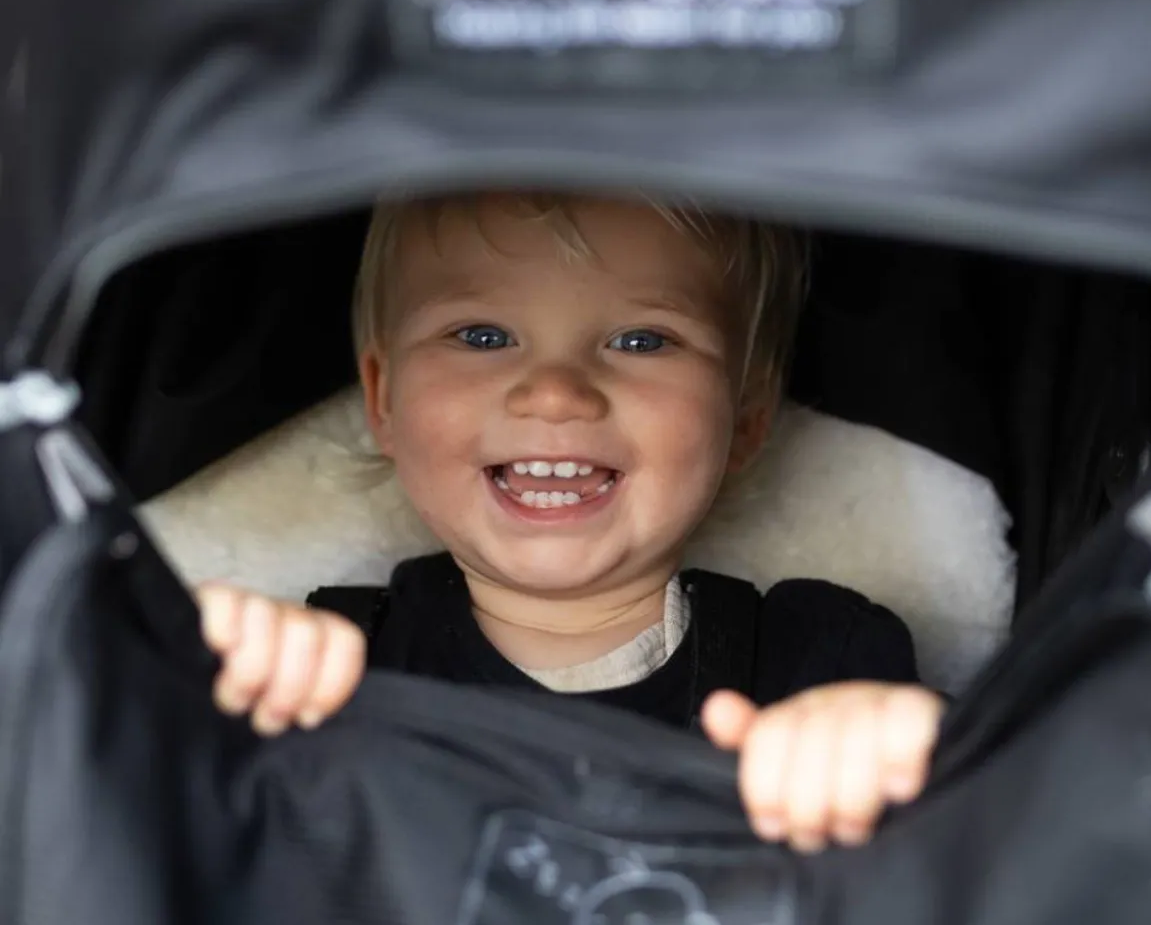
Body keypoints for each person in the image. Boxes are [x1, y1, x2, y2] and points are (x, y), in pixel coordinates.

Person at [196, 192, 945, 852]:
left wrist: (900, 754)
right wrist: (190, 685)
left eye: (641, 340)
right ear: (383, 398)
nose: (555, 393)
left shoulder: (822, 664)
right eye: (483, 336)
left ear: (747, 416)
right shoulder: (312, 673)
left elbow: (975, 847)